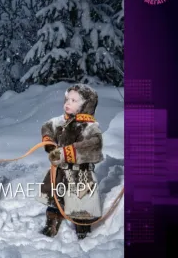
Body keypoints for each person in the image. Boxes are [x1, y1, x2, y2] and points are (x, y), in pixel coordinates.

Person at [36, 84, 104, 240]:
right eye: (67, 99)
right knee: (55, 199)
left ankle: (82, 231)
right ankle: (51, 225)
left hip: (80, 174)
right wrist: (48, 140)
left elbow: (94, 145)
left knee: (81, 202)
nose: (67, 103)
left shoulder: (90, 127)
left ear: (86, 104)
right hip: (59, 172)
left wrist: (66, 153)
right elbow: (48, 126)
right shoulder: (62, 121)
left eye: (74, 100)